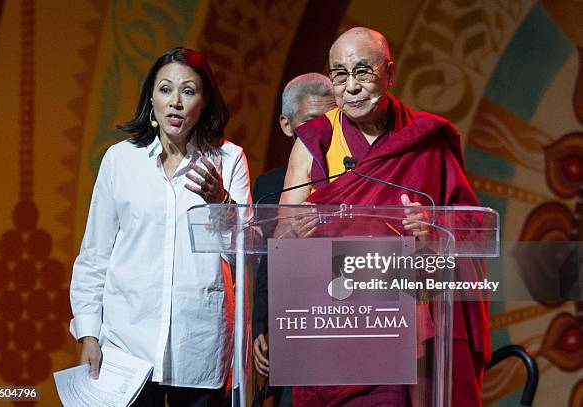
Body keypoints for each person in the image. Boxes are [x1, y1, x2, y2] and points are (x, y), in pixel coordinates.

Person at [280, 27, 490, 406]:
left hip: (409, 325)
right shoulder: (314, 139)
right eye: (340, 75)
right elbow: (279, 232)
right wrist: (297, 230)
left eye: (362, 72)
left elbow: (474, 227)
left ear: (389, 73)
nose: (352, 87)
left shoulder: (424, 139)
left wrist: (433, 227)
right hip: (336, 322)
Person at [69, 47, 251, 407]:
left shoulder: (229, 159)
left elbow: (246, 251)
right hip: (127, 348)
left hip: (201, 346)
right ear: (151, 98)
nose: (176, 103)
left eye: (188, 91)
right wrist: (89, 335)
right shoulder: (121, 160)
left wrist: (222, 202)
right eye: (166, 90)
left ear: (204, 101)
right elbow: (95, 254)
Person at [251, 73, 335, 406]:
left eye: (332, 120)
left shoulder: (354, 180)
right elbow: (265, 264)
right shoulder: (268, 188)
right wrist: (262, 327)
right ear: (287, 126)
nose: (323, 132)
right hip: (291, 333)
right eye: (312, 123)